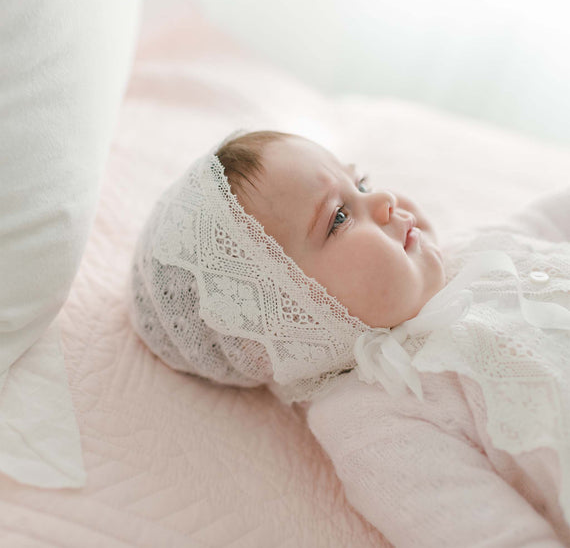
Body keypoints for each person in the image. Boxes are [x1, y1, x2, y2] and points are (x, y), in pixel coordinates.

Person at [128, 130, 570, 546]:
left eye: (361, 182)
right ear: (286, 323)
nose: (383, 199)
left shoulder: (471, 247)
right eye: (338, 217)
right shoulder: (374, 415)